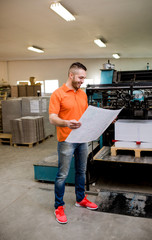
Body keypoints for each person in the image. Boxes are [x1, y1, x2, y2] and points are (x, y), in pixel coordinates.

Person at [49, 62, 98, 224]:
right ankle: (59, 206)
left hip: (82, 139)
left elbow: (86, 115)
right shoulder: (58, 93)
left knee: (81, 171)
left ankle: (80, 199)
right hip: (66, 140)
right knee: (62, 175)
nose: (82, 81)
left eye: (84, 78)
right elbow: (52, 118)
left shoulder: (82, 94)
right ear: (71, 75)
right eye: (80, 77)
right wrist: (66, 123)